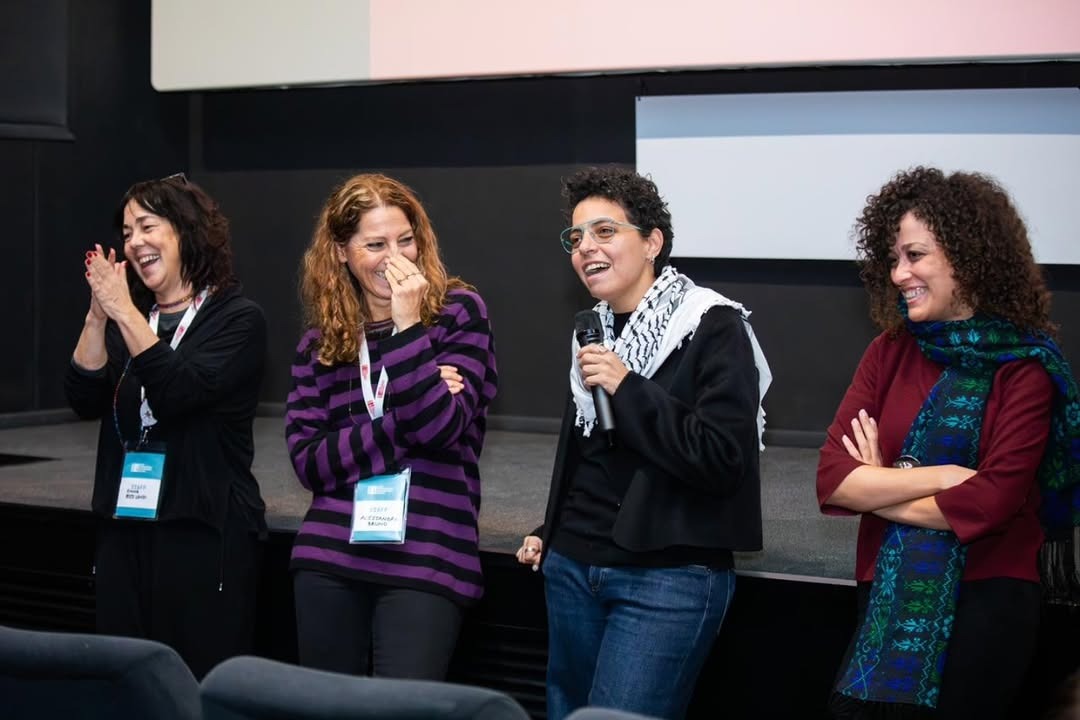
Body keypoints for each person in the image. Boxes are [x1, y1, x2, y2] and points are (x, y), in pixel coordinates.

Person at [817, 166, 1080, 719]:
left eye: (914, 255)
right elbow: (835, 480)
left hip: (987, 599)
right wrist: (941, 477)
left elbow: (991, 503)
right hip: (885, 590)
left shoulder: (1025, 367)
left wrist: (881, 484)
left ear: (967, 256)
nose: (898, 273)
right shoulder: (888, 351)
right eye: (893, 259)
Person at [516, 166, 772, 719]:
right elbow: (592, 453)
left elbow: (722, 459)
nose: (586, 248)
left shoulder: (711, 325)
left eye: (605, 231)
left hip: (666, 578)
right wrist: (551, 530)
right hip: (571, 568)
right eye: (576, 237)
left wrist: (628, 386)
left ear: (652, 242)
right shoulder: (593, 330)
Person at [286, 173, 498, 680]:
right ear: (341, 252)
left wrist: (407, 327)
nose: (395, 257)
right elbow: (310, 463)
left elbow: (440, 428)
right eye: (376, 245)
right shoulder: (320, 343)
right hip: (330, 552)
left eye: (405, 240)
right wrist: (404, 416)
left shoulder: (458, 314)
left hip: (427, 554)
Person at [65, 173, 268, 679]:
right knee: (125, 683)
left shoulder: (237, 319)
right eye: (127, 232)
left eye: (147, 226)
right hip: (125, 528)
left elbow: (178, 393)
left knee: (189, 685)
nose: (134, 242)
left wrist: (123, 311)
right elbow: (84, 398)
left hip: (202, 532)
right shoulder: (131, 319)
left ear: (186, 231)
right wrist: (98, 318)